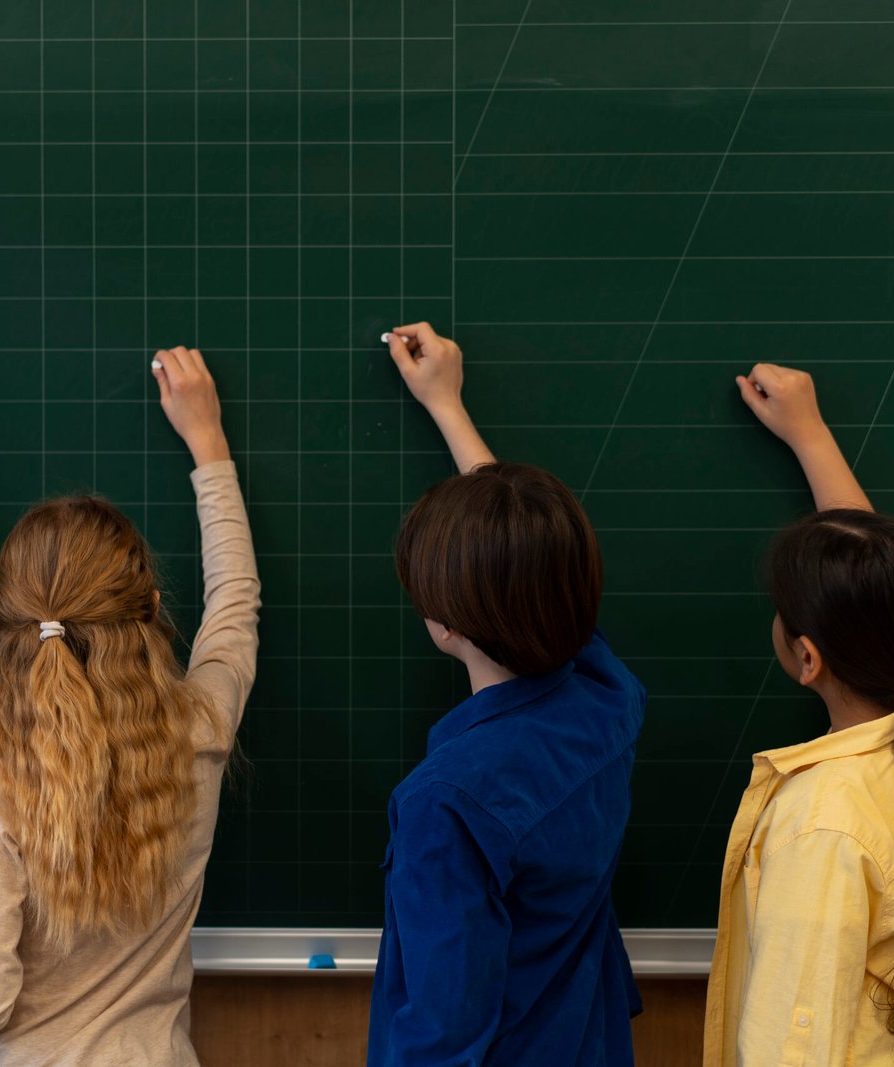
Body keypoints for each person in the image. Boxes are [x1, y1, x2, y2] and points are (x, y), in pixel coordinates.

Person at [0, 347, 260, 1065]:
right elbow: (235, 601)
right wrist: (207, 442)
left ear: (5, 629)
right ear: (151, 608)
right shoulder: (200, 729)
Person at [704, 364, 894, 1066]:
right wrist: (810, 434)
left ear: (807, 658)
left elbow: (788, 1049)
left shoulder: (821, 823)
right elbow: (887, 596)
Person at [368, 323, 645, 1065]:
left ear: (446, 624)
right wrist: (448, 406)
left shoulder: (444, 804)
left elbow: (441, 1033)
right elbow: (530, 561)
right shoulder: (607, 696)